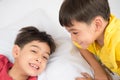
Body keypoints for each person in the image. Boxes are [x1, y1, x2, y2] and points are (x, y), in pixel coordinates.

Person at [59, 0, 120, 80]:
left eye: (75, 32)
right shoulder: (94, 35)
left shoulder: (117, 44)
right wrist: (98, 69)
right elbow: (82, 47)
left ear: (97, 25)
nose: (73, 39)